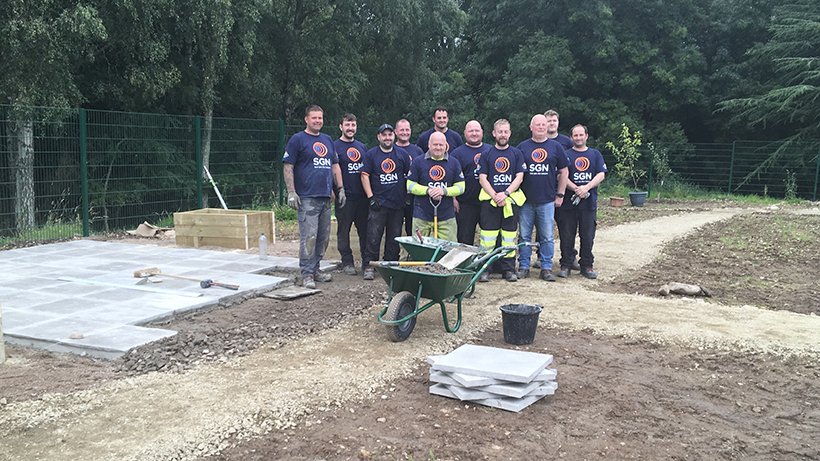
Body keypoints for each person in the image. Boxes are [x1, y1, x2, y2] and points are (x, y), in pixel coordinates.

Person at [283, 105, 345, 289]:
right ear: (306, 119)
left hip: (325, 197)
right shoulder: (297, 140)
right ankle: (307, 273)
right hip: (307, 198)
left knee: (323, 238)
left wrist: (340, 188)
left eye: (320, 117)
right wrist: (291, 192)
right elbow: (288, 166)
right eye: (314, 118)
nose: (318, 121)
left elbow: (335, 167)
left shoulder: (327, 140)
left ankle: (317, 268)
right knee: (309, 237)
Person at [516, 114, 569, 281]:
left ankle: (546, 268)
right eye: (537, 125)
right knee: (524, 236)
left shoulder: (556, 147)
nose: (540, 127)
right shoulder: (522, 147)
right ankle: (524, 266)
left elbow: (564, 171)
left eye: (543, 125)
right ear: (531, 127)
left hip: (547, 200)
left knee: (547, 236)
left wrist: (560, 194)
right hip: (525, 200)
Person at [476, 119, 526, 282]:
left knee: (509, 237)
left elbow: (520, 177)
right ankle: (485, 269)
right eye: (500, 131)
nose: (503, 135)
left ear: (509, 133)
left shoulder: (516, 154)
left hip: (510, 202)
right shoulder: (486, 154)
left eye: (505, 132)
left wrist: (505, 193)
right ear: (494, 133)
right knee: (487, 238)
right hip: (490, 203)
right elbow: (482, 178)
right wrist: (495, 196)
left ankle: (508, 269)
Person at [556, 124, 607, 279]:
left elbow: (601, 174)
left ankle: (587, 265)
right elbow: (559, 175)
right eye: (575, 135)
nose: (578, 138)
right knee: (566, 235)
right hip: (567, 205)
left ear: (586, 136)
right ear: (571, 138)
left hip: (588, 204)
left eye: (581, 135)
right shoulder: (564, 154)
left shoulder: (595, 154)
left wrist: (586, 188)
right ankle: (565, 265)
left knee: (587, 235)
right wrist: (575, 188)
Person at [361, 124, 411, 280]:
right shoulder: (371, 155)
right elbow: (364, 175)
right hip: (378, 203)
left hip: (397, 204)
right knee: (373, 236)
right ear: (379, 137)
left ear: (394, 136)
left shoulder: (402, 154)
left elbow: (409, 175)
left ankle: (391, 265)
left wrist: (408, 195)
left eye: (390, 134)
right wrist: (370, 197)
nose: (387, 137)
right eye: (384, 135)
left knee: (394, 237)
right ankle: (370, 265)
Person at [406, 131, 465, 241]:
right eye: (435, 144)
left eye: (441, 144)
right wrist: (428, 190)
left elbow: (461, 187)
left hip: (446, 216)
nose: (438, 147)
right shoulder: (418, 162)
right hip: (421, 215)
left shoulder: (454, 163)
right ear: (429, 144)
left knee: (449, 250)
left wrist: (444, 191)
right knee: (419, 248)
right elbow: (409, 185)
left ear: (445, 145)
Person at [333, 114, 369, 275]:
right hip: (344, 197)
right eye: (347, 125)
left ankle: (367, 262)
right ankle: (347, 262)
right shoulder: (334, 146)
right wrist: (333, 195)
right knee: (343, 231)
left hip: (362, 198)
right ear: (341, 127)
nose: (350, 128)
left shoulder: (362, 147)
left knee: (365, 232)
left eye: (353, 125)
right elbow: (330, 172)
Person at [450, 120, 491, 246]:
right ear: (465, 133)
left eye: (477, 130)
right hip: (465, 204)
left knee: (489, 237)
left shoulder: (491, 151)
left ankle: (488, 264)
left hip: (488, 202)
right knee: (464, 238)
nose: (474, 133)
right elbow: (451, 178)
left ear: (482, 132)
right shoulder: (457, 153)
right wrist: (453, 199)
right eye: (471, 131)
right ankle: (464, 264)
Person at [395, 119, 425, 236]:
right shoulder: (390, 149)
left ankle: (411, 254)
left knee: (412, 229)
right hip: (395, 196)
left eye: (407, 130)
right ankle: (393, 255)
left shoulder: (418, 151)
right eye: (401, 130)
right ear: (396, 132)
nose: (404, 132)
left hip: (413, 198)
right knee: (394, 229)